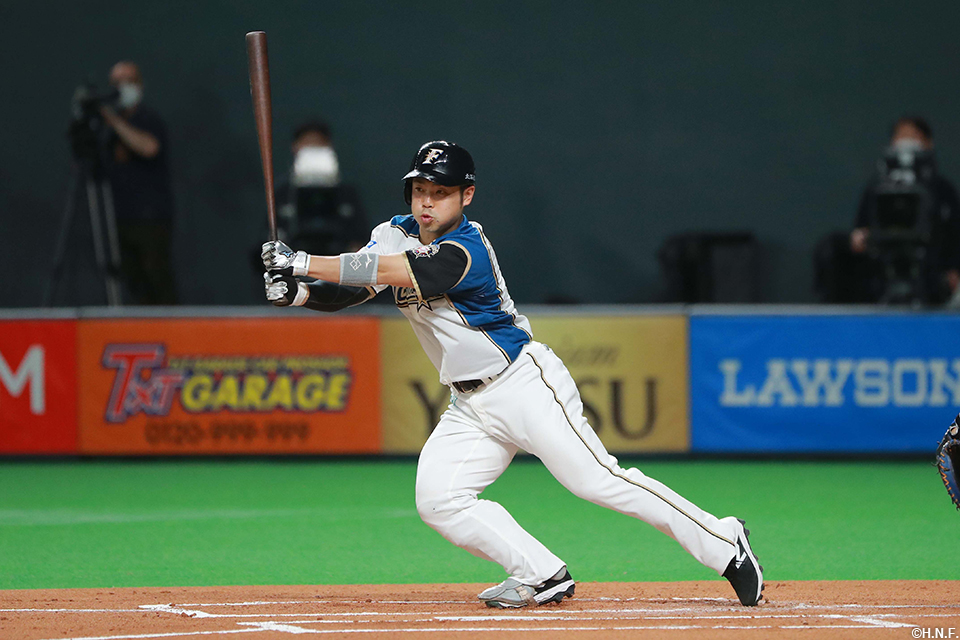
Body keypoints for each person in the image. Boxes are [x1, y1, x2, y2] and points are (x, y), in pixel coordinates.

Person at [261, 141, 764, 608]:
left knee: (599, 481)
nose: (427, 201)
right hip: (469, 404)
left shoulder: (467, 248)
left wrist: (301, 261)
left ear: (466, 195)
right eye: (420, 189)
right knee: (439, 500)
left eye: (441, 192)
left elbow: (399, 272)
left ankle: (724, 540)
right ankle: (540, 573)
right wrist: (299, 293)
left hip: (522, 384)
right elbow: (355, 287)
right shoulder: (394, 234)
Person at [849, 116, 960, 305]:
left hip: (931, 269)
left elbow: (955, 233)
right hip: (882, 266)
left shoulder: (943, 189)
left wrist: (954, 269)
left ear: (928, 142)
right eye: (901, 136)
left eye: (914, 136)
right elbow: (860, 230)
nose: (907, 142)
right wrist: (860, 237)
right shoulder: (876, 188)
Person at [99, 61, 177, 304]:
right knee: (135, 283)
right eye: (117, 82)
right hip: (120, 216)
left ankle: (172, 326)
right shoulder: (107, 130)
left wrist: (115, 122)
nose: (123, 87)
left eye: (129, 81)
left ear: (140, 85)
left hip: (150, 217)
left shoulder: (148, 119)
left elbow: (149, 148)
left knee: (157, 279)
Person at [275, 120, 369, 256]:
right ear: (295, 147)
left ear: (330, 146)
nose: (313, 149)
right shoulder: (283, 194)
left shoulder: (347, 194)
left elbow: (361, 240)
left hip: (337, 262)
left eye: (318, 143)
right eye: (307, 143)